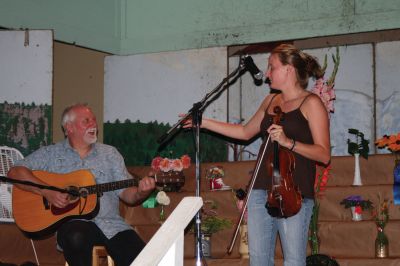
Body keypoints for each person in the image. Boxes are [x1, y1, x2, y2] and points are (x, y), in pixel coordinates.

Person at [184, 44, 331, 266]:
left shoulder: (311, 103)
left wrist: (288, 142)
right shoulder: (271, 101)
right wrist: (203, 122)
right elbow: (244, 132)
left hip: (295, 194)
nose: (268, 73)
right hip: (261, 189)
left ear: (289, 70)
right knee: (259, 261)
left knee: (293, 260)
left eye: (272, 67)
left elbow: (324, 155)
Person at [8, 103, 156, 266]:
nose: (93, 124)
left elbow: (127, 195)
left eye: (94, 120)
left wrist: (141, 192)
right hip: (73, 227)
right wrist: (46, 192)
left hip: (112, 225)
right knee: (77, 236)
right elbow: (15, 172)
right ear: (69, 127)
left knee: (145, 260)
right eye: (86, 121)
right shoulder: (50, 154)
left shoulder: (110, 154)